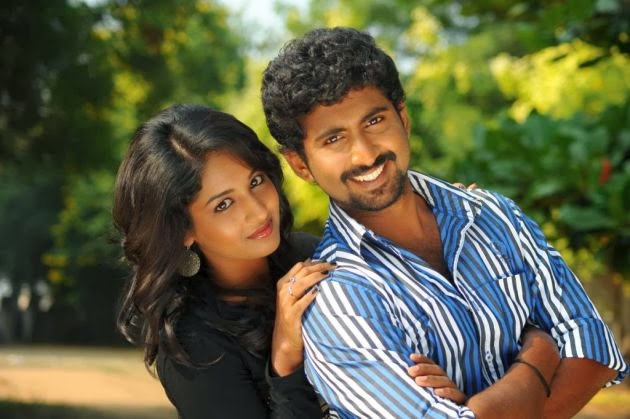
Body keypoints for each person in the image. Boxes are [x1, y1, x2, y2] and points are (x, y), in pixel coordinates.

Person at [261, 27, 628, 418]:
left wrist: (482, 408)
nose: (365, 154)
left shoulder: (493, 214)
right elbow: (568, 345)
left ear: (403, 118)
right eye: (334, 139)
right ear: (301, 165)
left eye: (374, 121)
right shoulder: (337, 300)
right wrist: (538, 353)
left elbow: (596, 351)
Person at [113, 104, 335, 418]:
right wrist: (285, 361)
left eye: (255, 181)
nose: (258, 211)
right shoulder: (192, 349)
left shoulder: (309, 254)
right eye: (224, 204)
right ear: (183, 230)